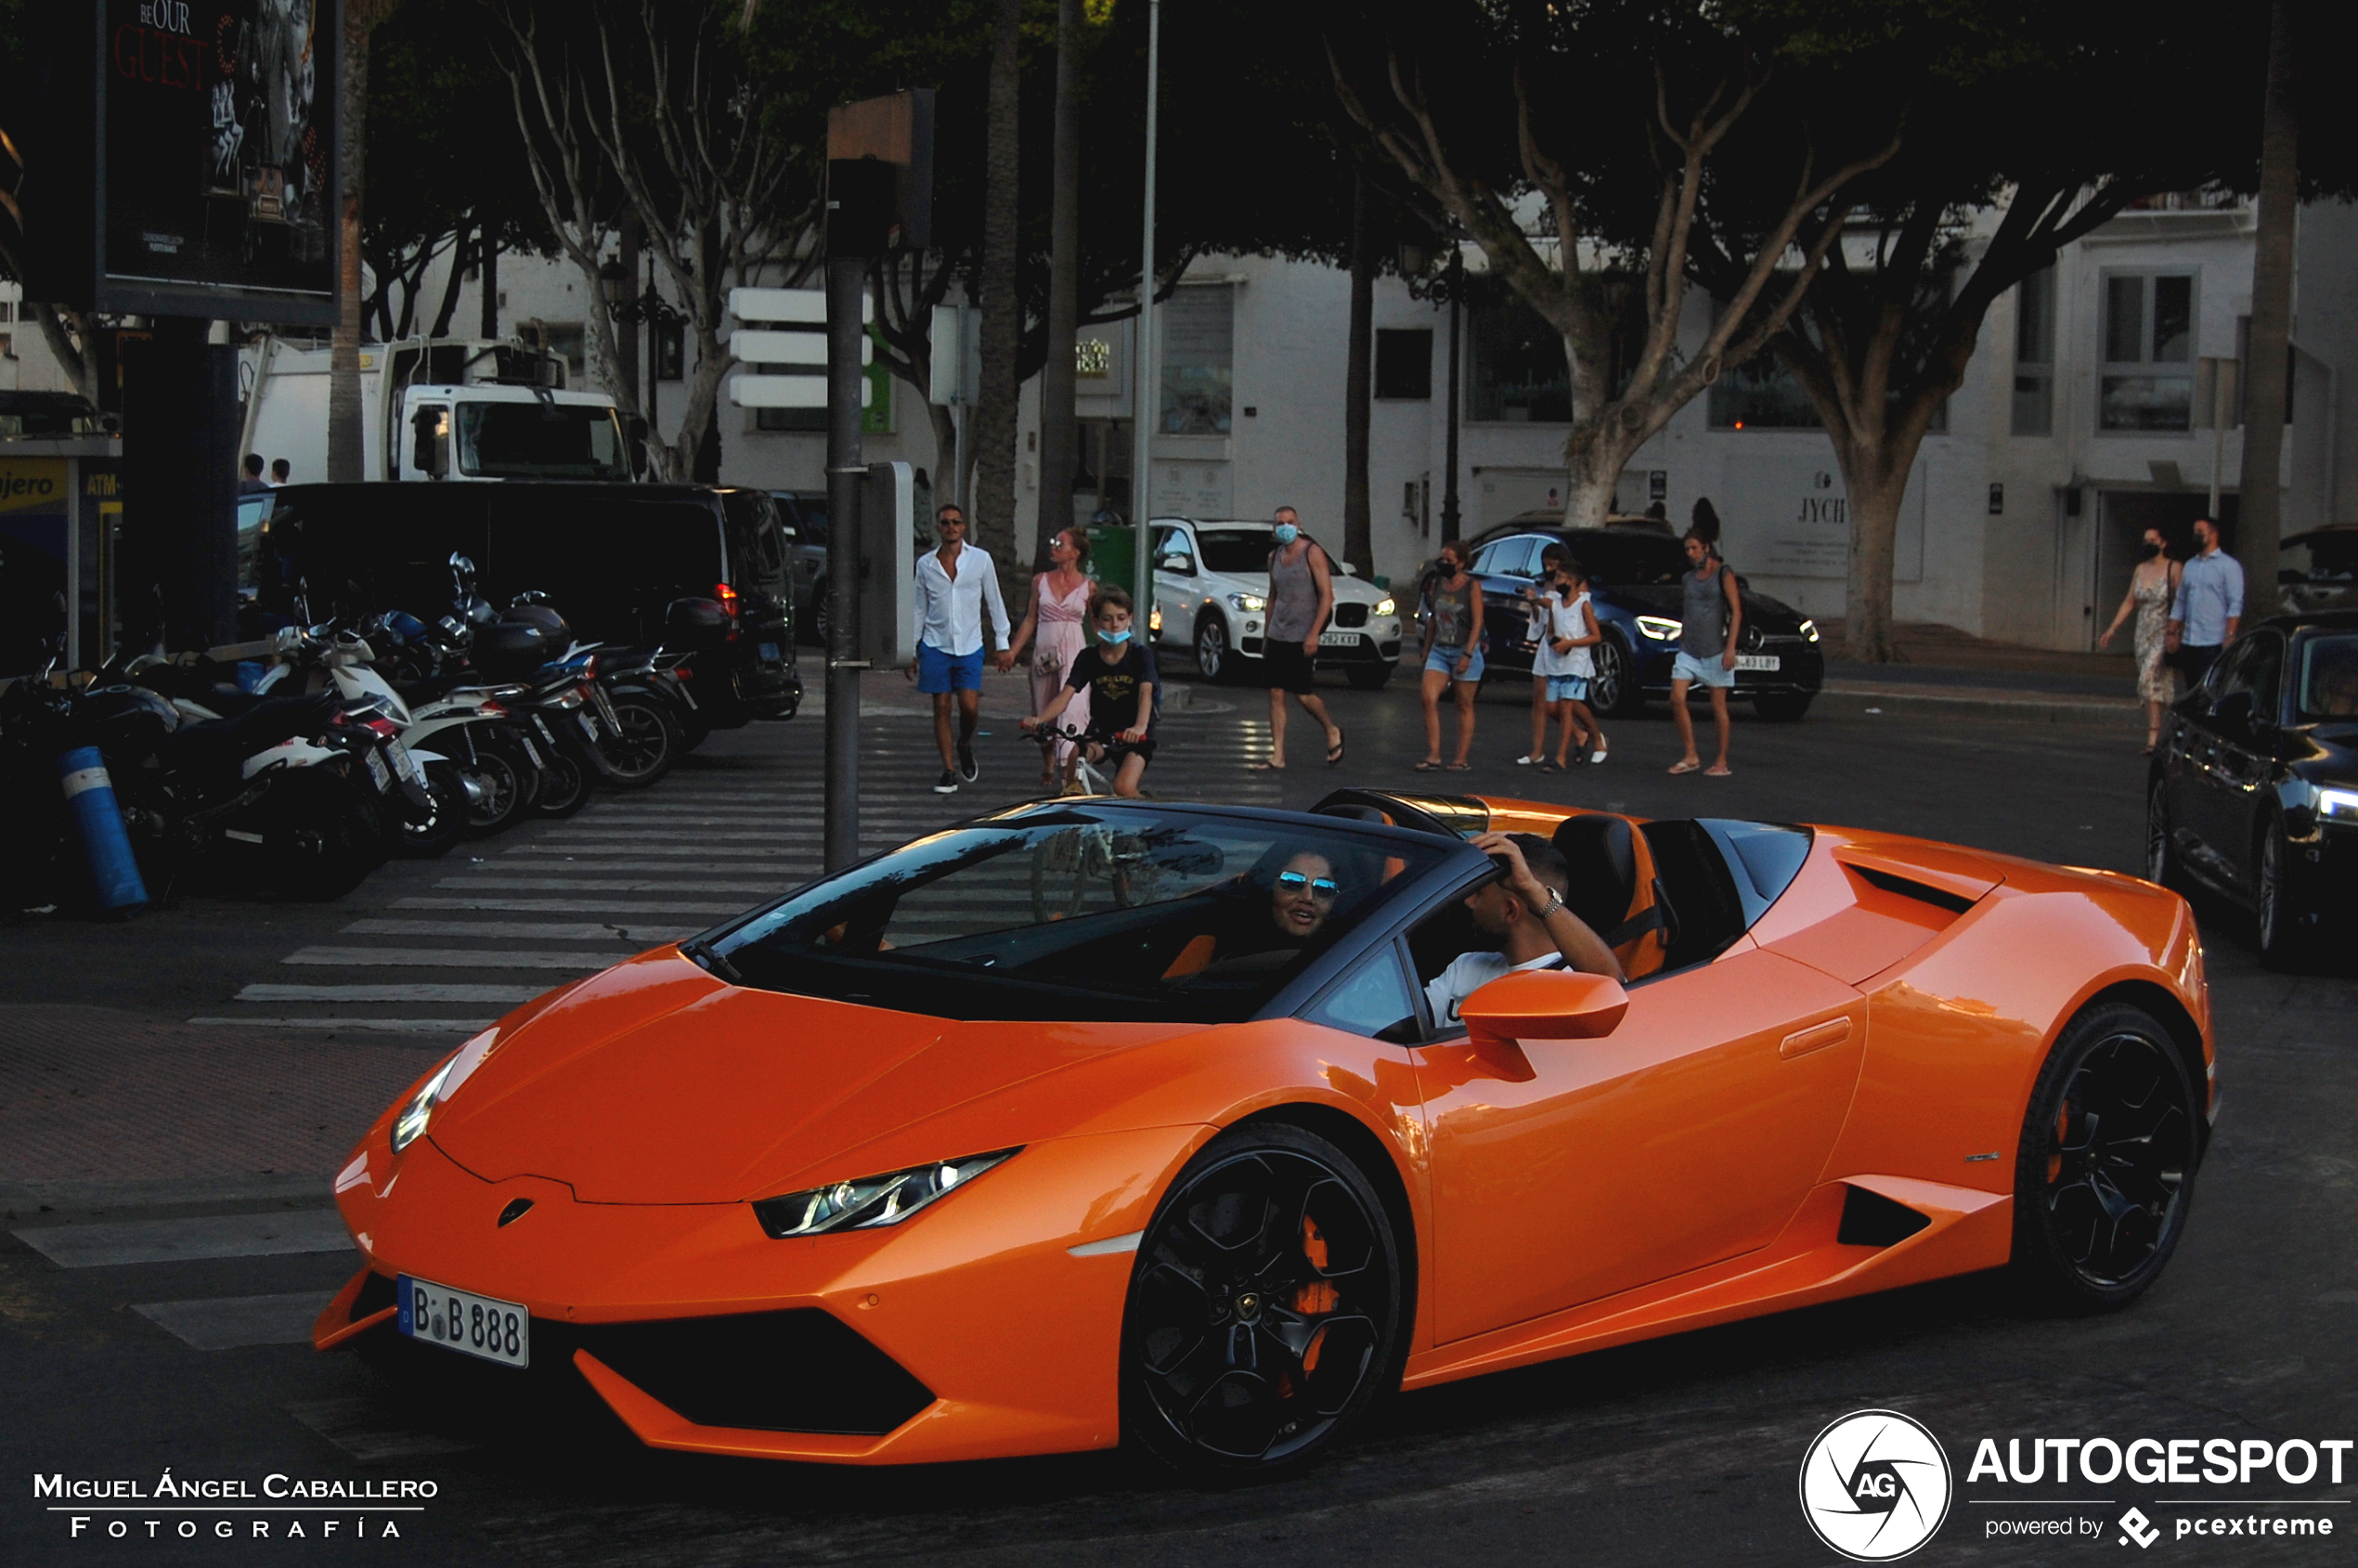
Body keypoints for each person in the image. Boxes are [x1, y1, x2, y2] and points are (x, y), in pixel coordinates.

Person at [1423, 832, 1623, 1031]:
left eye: (1479, 894)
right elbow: (1405, 1021)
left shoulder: (1572, 981)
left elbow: (1610, 984)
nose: (1469, 902)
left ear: (1510, 911)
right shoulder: (1466, 967)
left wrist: (1530, 888)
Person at [908, 503, 1014, 795]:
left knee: (969, 705)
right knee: (941, 706)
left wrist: (1002, 644)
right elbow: (919, 608)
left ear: (964, 526)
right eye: (945, 523)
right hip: (935, 643)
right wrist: (911, 649)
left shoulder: (980, 560)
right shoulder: (926, 564)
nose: (951, 527)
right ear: (938, 527)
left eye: (956, 522)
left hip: (969, 644)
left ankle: (965, 743)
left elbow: (994, 601)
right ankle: (949, 769)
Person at [1021, 587, 1158, 798]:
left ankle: (1151, 815)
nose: (1114, 625)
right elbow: (1065, 695)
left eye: (1121, 618)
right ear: (1096, 622)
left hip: (1134, 733)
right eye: (1107, 619)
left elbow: (1145, 694)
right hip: (1103, 730)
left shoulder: (1141, 655)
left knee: (1123, 788)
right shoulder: (1088, 657)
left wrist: (1139, 727)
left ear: (1130, 619)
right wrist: (1040, 719)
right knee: (1076, 757)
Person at [1254, 506, 1345, 771]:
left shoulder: (1311, 552)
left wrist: (1314, 633)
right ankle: (1277, 754)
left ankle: (1331, 729)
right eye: (1280, 523)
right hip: (1278, 632)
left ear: (1299, 524)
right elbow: (1273, 596)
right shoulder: (1274, 557)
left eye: (1289, 522)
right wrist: (1266, 633)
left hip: (1303, 632)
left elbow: (1327, 596)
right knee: (1275, 692)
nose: (1285, 527)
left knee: (1304, 695)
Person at [1010, 526, 1095, 790]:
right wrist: (1013, 652)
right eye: (1053, 542)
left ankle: (1066, 767)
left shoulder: (1088, 587)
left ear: (1076, 553)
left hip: (1074, 651)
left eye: (1060, 543)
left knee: (1072, 708)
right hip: (1045, 650)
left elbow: (1096, 623)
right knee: (1043, 708)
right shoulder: (1040, 581)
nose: (1054, 547)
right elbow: (1030, 619)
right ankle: (1048, 760)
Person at [1668, 504, 1742, 777]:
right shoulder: (1689, 579)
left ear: (1706, 548)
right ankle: (1691, 754)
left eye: (1695, 548)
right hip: (1690, 648)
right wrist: (1683, 638)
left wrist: (1730, 647)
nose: (1691, 554)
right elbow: (1688, 611)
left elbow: (1736, 612)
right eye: (1687, 549)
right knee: (1677, 698)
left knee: (1718, 706)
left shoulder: (1723, 574)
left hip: (1715, 650)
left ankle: (1721, 760)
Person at [2096, 525, 2183, 754]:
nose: (2149, 544)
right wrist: (2113, 628)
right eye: (2146, 540)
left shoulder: (2174, 568)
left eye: (2153, 540)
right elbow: (2129, 601)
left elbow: (2181, 600)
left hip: (2163, 630)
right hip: (2142, 632)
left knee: (2148, 679)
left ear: (2163, 543)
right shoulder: (2140, 569)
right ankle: (2165, 731)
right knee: (2154, 686)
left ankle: (2154, 736)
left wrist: (2176, 631)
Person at [1527, 557, 1605, 769]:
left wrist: (1571, 643)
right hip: (1556, 663)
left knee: (1566, 707)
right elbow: (1550, 631)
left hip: (1575, 664)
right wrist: (1555, 642)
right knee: (1551, 708)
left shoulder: (1583, 605)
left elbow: (1596, 635)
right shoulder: (1556, 606)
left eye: (1561, 577)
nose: (1557, 580)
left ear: (1572, 581)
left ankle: (1560, 757)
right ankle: (1580, 734)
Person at [1417, 538, 1484, 771]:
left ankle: (1460, 758)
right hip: (1440, 648)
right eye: (1442, 559)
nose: (1444, 564)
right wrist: (1426, 649)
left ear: (1461, 563)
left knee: (1463, 704)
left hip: (1463, 648)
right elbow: (1433, 618)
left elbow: (1477, 623)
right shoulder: (1437, 584)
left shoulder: (1471, 587)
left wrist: (1467, 654)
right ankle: (1433, 754)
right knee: (1428, 697)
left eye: (1449, 560)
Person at [2167, 516, 2243, 690]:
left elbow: (2235, 603)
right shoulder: (2190, 566)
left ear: (2213, 535)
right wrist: (2172, 631)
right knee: (2191, 687)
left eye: (2200, 532)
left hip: (2213, 641)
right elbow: (2181, 601)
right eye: (2195, 532)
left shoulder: (2229, 566)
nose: (2196, 536)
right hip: (2190, 640)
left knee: (2207, 688)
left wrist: (2230, 635)